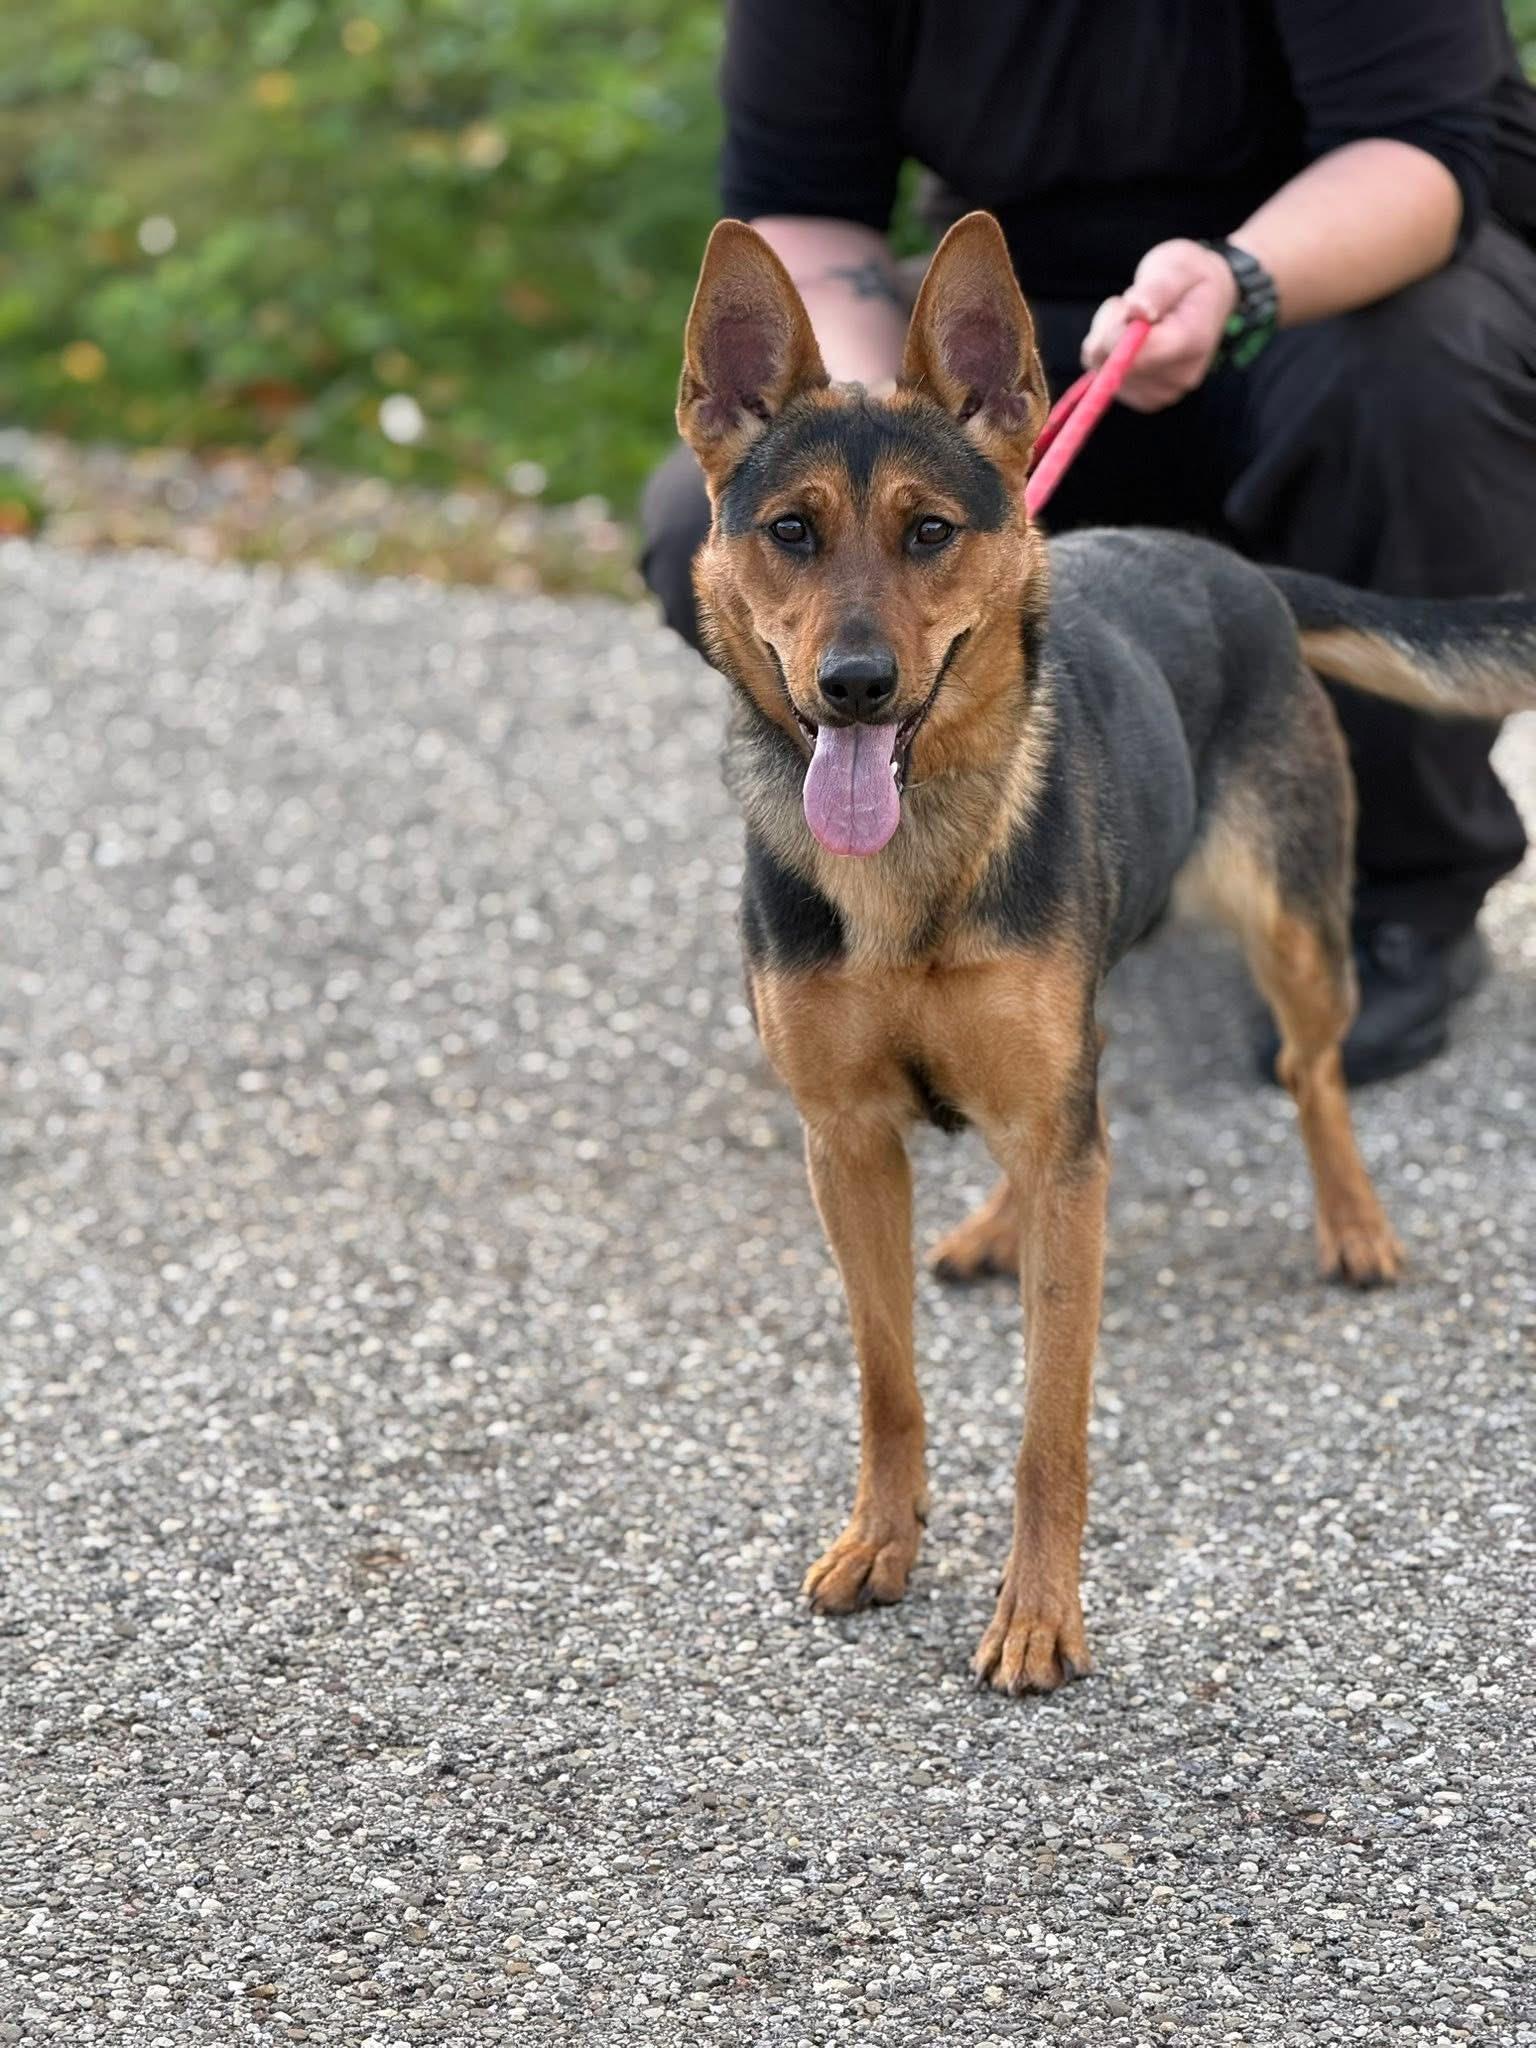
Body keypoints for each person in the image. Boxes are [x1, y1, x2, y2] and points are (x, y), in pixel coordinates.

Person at [641, 0, 1536, 1086]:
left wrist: (1234, 279)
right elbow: (801, 202)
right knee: (718, 523)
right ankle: (1003, 862)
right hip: (1022, 314)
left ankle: (1403, 887)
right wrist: (876, 437)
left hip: (1333, 287)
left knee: (1411, 393)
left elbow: (1420, 154)